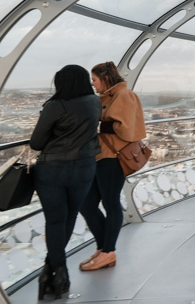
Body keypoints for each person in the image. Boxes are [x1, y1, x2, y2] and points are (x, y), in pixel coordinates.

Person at [29, 65, 101, 300]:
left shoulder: (55, 106)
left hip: (53, 169)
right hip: (85, 167)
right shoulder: (94, 102)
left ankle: (57, 270)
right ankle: (54, 269)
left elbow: (37, 142)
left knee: (55, 220)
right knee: (70, 216)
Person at [78, 62, 146, 271]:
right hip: (101, 157)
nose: (92, 84)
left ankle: (108, 251)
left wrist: (96, 123)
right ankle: (103, 248)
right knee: (87, 204)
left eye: (95, 79)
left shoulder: (123, 95)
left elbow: (126, 130)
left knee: (110, 203)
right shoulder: (108, 97)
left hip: (113, 157)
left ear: (106, 78)